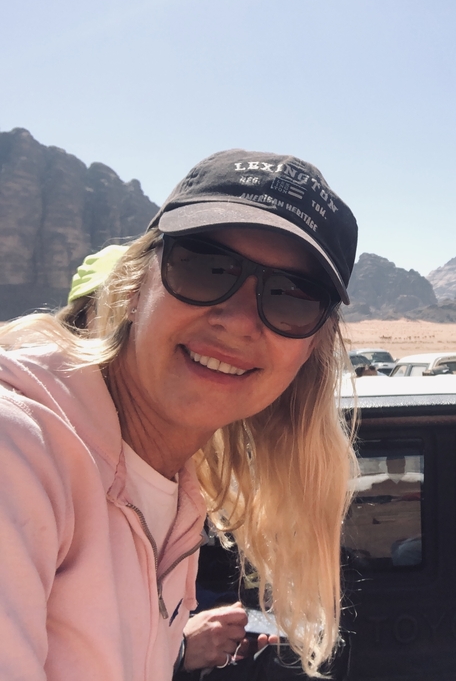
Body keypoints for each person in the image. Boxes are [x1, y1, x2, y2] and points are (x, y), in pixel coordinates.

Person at [0, 149, 359, 680]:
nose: (238, 321)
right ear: (136, 280)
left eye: (289, 297)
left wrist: (172, 652)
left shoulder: (179, 491)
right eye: (206, 267)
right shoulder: (21, 451)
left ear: (314, 346)